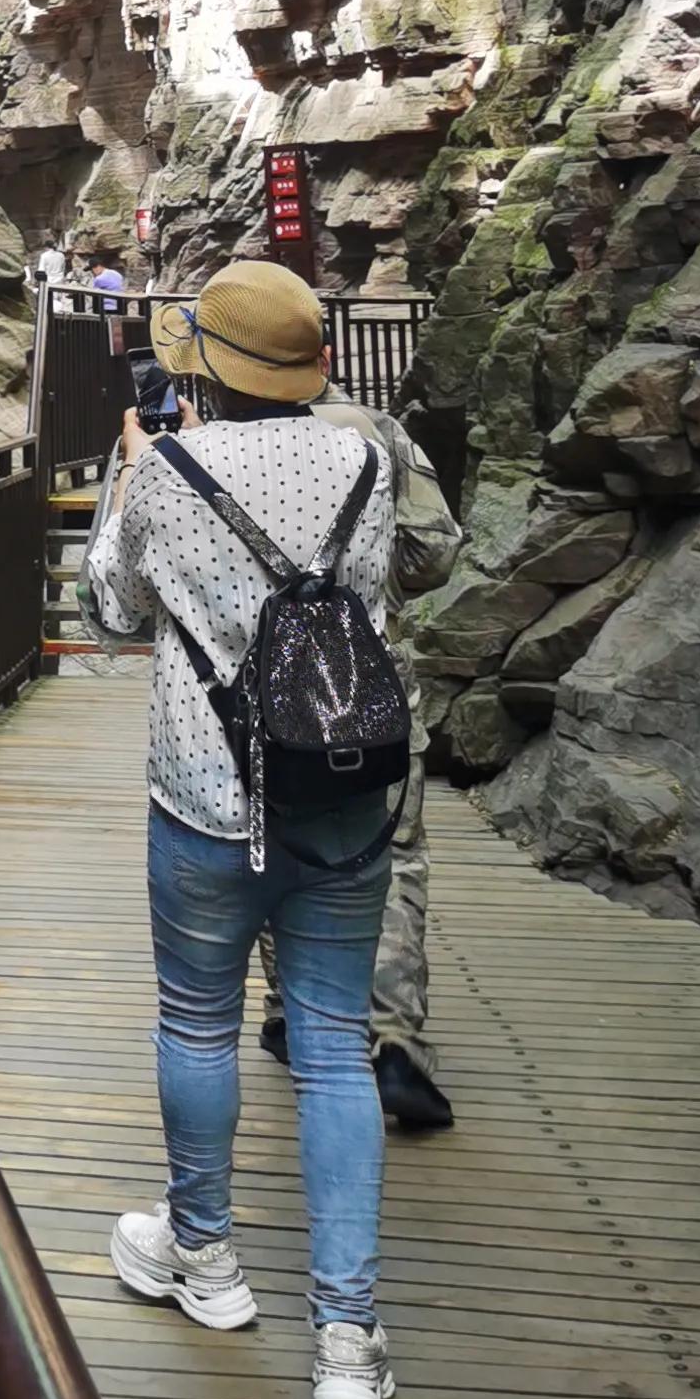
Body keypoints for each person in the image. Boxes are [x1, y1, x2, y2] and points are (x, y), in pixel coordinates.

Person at [83, 260, 404, 1399]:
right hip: (344, 798)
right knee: (332, 1047)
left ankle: (207, 1261)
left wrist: (129, 483)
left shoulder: (169, 471)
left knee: (198, 1021)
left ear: (206, 371)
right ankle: (347, 1341)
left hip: (209, 798)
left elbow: (108, 615)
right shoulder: (368, 459)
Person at [257, 385, 461, 1130]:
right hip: (374, 679)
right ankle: (394, 1042)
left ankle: (288, 1013)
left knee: (273, 839)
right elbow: (435, 550)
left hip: (270, 686)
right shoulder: (379, 431)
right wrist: (368, 590)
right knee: (391, 853)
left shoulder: (225, 439)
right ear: (323, 356)